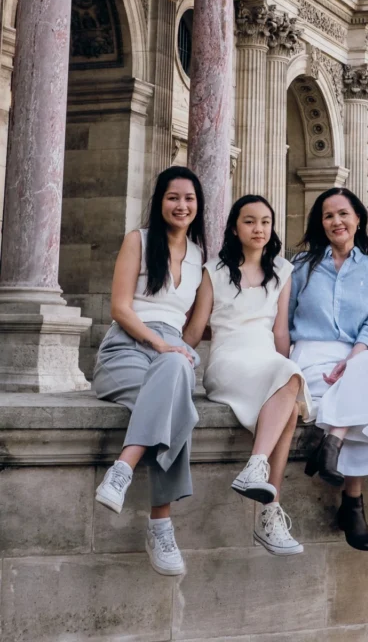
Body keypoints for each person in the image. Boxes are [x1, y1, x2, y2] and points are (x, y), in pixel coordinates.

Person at [92, 166, 206, 576]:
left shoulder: (200, 257)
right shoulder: (137, 240)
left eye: (189, 198)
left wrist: (180, 350)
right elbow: (120, 307)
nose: (181, 205)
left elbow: (195, 326)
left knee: (177, 371)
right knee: (177, 405)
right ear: (160, 201)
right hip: (127, 345)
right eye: (173, 197)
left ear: (199, 205)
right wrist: (161, 344)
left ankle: (122, 469)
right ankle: (160, 522)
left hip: (172, 352)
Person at [185, 195, 311, 557]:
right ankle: (268, 511)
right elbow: (195, 330)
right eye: (250, 221)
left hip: (265, 357)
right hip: (227, 359)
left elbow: (281, 333)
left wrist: (286, 375)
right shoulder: (214, 271)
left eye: (265, 222)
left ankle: (261, 483)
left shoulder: (283, 271)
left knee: (289, 387)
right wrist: (170, 353)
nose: (258, 229)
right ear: (235, 227)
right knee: (288, 387)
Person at [289, 187, 368, 551]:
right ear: (321, 223)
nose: (337, 221)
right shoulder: (301, 266)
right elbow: (285, 320)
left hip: (353, 356)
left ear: (358, 219)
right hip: (309, 355)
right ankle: (353, 502)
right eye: (328, 215)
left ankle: (331, 441)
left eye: (343, 213)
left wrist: (351, 358)